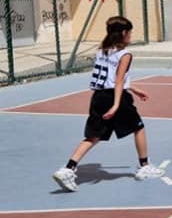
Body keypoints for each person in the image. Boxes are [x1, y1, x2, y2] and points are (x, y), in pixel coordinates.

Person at [54, 16, 163, 191]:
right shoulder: (125, 54)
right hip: (114, 97)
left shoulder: (102, 50)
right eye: (130, 32)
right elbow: (118, 82)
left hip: (98, 96)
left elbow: (111, 77)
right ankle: (144, 166)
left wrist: (134, 89)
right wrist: (116, 105)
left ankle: (68, 169)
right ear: (124, 33)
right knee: (138, 127)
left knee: (93, 136)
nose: (131, 35)